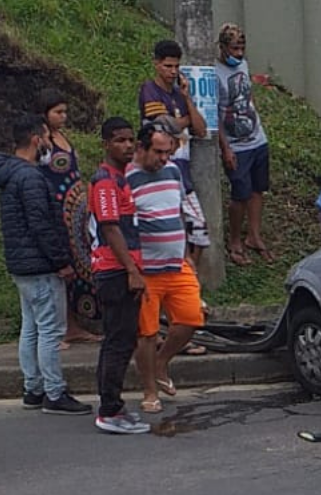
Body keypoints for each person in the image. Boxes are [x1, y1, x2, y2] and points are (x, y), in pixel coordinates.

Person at [0, 115, 91, 415]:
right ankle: (54, 392)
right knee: (50, 330)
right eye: (46, 137)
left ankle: (32, 388)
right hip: (41, 265)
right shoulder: (32, 177)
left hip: (22, 265)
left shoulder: (10, 175)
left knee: (31, 327)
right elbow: (41, 224)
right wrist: (62, 262)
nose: (50, 143)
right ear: (36, 139)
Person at [127, 124, 206, 414]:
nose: (163, 158)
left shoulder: (173, 172)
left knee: (191, 320)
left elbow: (179, 214)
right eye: (158, 152)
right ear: (141, 148)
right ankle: (149, 390)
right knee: (146, 334)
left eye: (167, 152)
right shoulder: (128, 178)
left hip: (176, 264)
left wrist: (187, 255)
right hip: (146, 270)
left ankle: (161, 362)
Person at [89, 117, 151, 434]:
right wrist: (131, 271)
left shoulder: (122, 178)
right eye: (120, 140)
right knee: (118, 341)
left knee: (123, 340)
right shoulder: (106, 183)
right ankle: (109, 410)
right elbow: (110, 228)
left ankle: (114, 405)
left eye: (131, 141)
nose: (128, 146)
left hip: (126, 270)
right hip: (115, 273)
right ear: (106, 144)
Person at [37, 88, 102, 348]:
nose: (63, 116)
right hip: (57, 211)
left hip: (77, 210)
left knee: (78, 268)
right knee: (62, 270)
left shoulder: (62, 137)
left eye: (65, 112)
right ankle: (60, 328)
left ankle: (74, 325)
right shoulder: (41, 142)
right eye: (58, 112)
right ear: (44, 114)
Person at [139, 39, 212, 267]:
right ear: (156, 64)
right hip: (161, 173)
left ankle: (191, 279)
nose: (173, 71)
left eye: (176, 66)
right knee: (172, 230)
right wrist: (186, 122)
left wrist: (188, 99)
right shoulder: (149, 90)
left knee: (199, 229)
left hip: (183, 173)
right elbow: (167, 124)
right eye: (168, 66)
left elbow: (200, 129)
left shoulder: (180, 95)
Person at [216, 24, 276, 267]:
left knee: (257, 189)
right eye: (234, 48)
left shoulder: (243, 64)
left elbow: (247, 96)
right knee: (239, 194)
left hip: (256, 138)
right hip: (235, 144)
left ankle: (253, 235)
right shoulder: (214, 73)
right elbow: (215, 116)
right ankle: (234, 241)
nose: (239, 53)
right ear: (222, 47)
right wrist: (225, 148)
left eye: (242, 48)